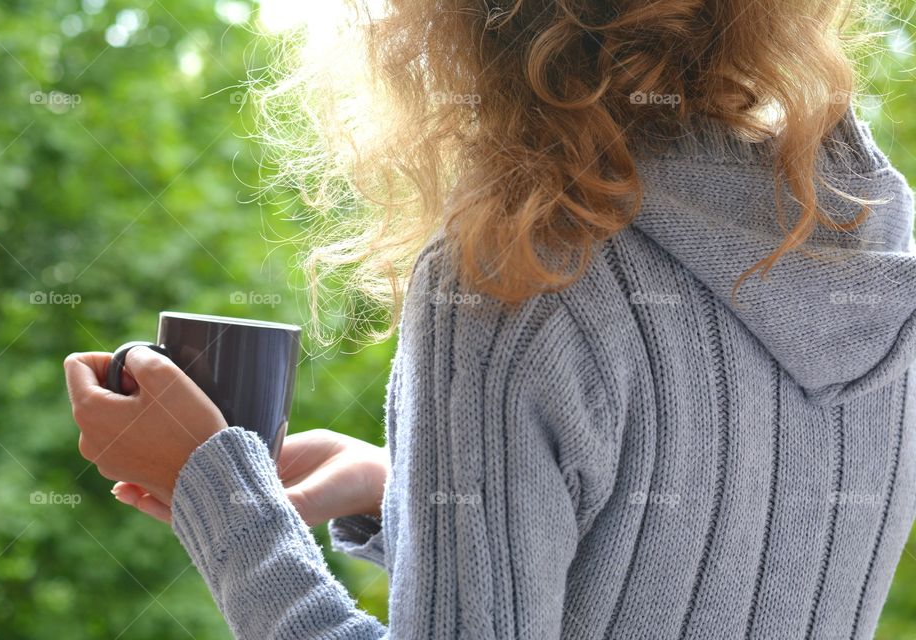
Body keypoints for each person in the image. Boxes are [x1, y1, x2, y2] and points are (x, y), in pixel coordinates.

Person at [64, 0, 916, 637]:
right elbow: (692, 566)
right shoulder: (858, 255)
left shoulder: (518, 272)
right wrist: (409, 493)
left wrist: (219, 494)